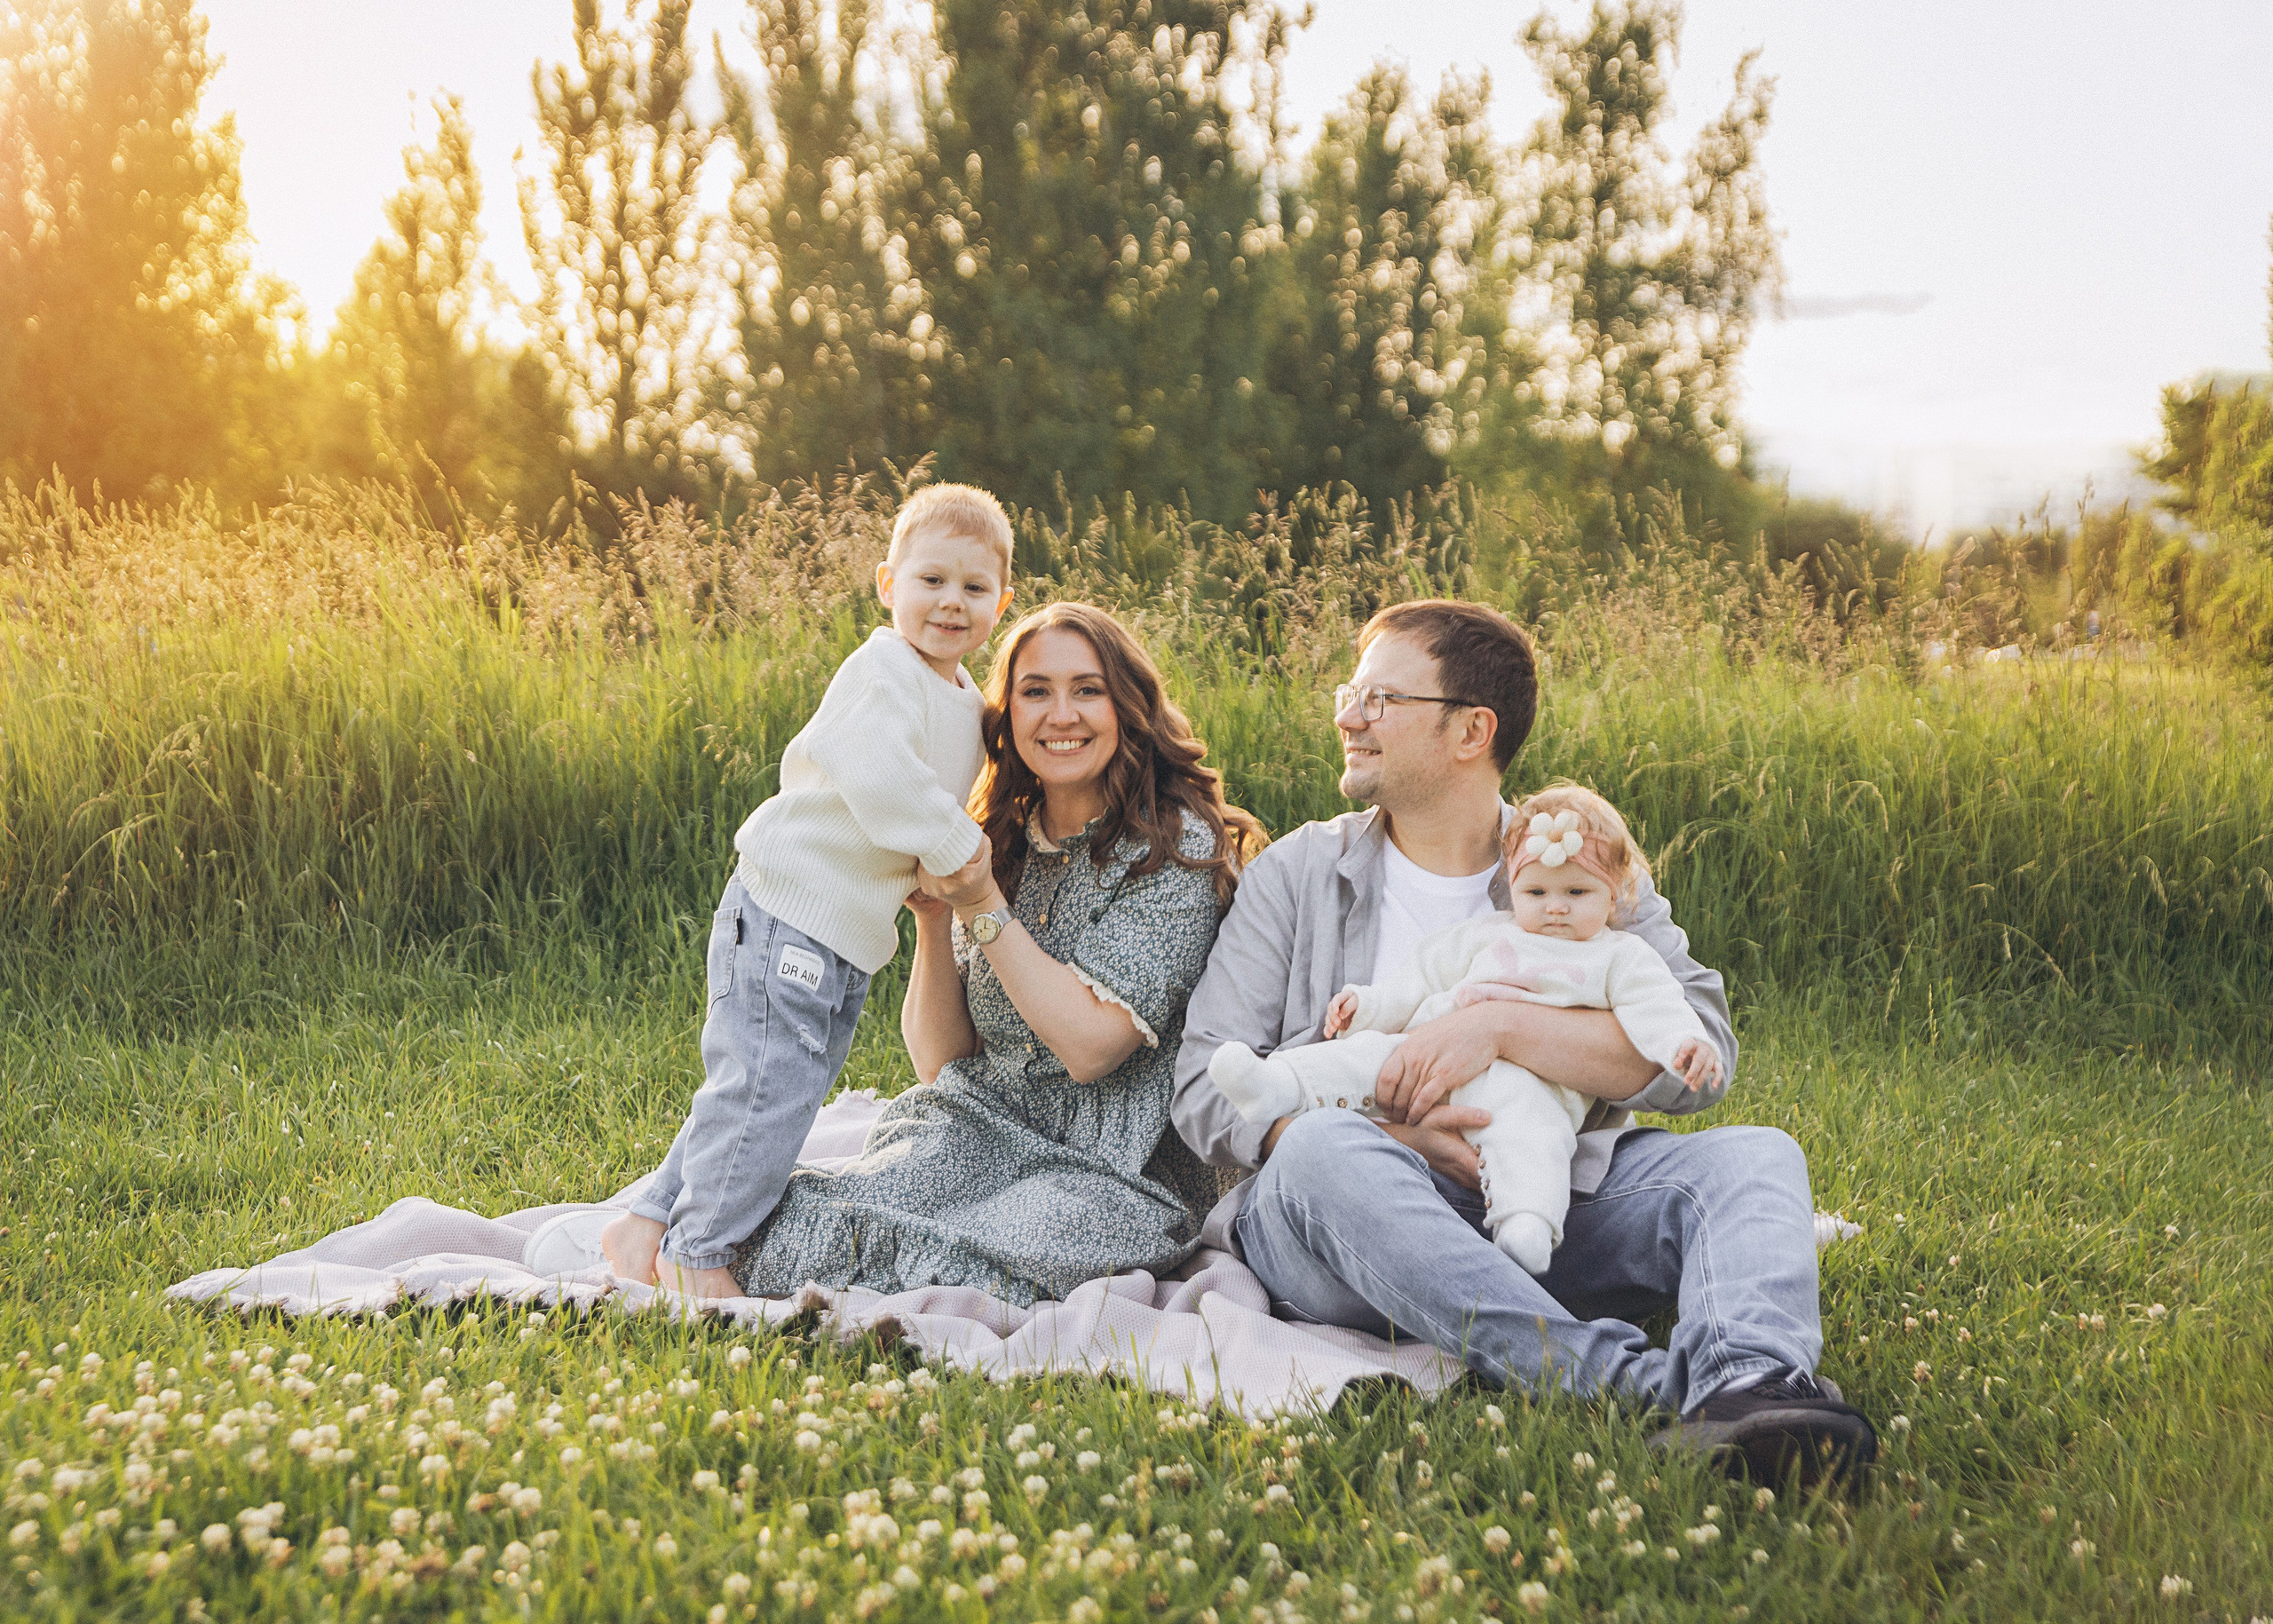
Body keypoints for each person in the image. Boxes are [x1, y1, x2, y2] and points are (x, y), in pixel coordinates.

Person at [1173, 598, 1878, 1485]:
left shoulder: (1576, 859)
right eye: (1350, 691)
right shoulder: (1299, 874)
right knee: (1319, 1144)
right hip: (1341, 1224)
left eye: (1379, 697)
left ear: (1471, 729)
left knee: (1753, 1158)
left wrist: (1498, 1025)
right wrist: (1392, 1137)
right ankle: (1634, 1385)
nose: (1347, 715)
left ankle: (1754, 1386)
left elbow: (1699, 1053)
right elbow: (1204, 1086)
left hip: (1548, 1197)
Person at [724, 601, 1264, 1305]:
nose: (1060, 714)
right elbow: (942, 1061)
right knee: (787, 1220)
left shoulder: (1176, 849)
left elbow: (1092, 1046)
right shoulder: (998, 841)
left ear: (1128, 708)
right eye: (1035, 691)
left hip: (1109, 1169)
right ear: (1007, 716)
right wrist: (937, 915)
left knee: (994, 1251)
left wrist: (982, 906)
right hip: (977, 1126)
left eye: (1088, 689)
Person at [582, 483, 1018, 1299]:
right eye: (930, 581)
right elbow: (880, 774)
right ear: (887, 584)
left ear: (1002, 600)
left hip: (845, 933)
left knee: (764, 1087)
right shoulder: (882, 668)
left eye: (973, 587)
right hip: (791, 914)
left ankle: (645, 1221)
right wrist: (962, 850)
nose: (950, 603)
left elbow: (922, 800)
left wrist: (939, 855)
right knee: (767, 1091)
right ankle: (698, 1253)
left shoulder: (963, 700)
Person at [1206, 782, 1721, 1273]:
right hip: (1422, 1052)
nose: (1556, 906)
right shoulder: (1486, 936)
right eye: (1536, 890)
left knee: (1531, 1138)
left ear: (1614, 898)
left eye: (1577, 892)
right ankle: (1277, 1084)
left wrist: (1683, 1043)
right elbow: (1418, 981)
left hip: (1529, 1083)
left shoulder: (1619, 956)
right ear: (1512, 887)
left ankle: (1525, 1223)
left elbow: (1655, 1006)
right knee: (1358, 1057)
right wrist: (1364, 1006)